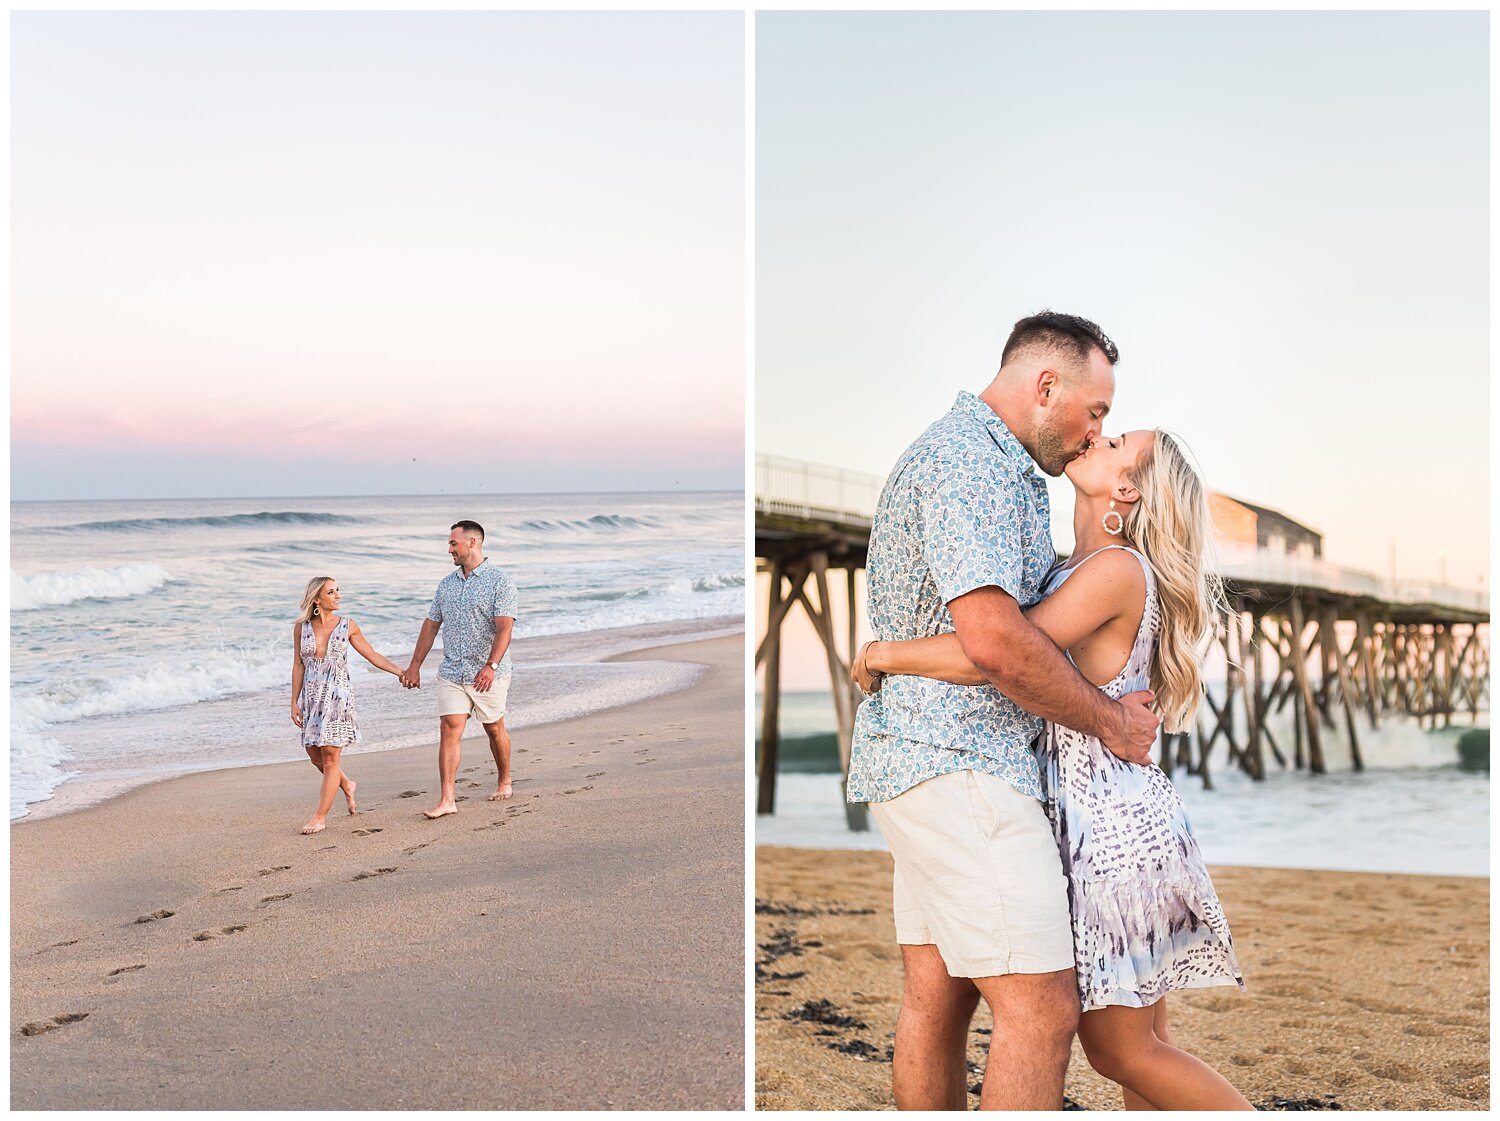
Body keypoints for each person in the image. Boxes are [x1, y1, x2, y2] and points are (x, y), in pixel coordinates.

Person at [856, 428, 1251, 1110]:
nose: (1100, 433)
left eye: (1118, 440)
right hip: (1120, 819)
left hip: (1111, 830)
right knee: (1145, 1049)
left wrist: (885, 653)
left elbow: (996, 652)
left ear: (1124, 490)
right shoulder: (1085, 567)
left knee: (1123, 1050)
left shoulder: (1114, 572)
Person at [846, 311, 1162, 1111]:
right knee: (1041, 1006)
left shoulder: (992, 464)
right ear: (1045, 384)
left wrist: (887, 654)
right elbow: (996, 642)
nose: (1098, 429)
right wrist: (1110, 720)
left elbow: (1015, 624)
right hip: (964, 764)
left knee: (940, 992)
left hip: (919, 757)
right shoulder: (973, 465)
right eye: (1095, 411)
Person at [400, 520, 518, 819]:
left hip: (488, 673)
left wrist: (490, 666)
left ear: (472, 543)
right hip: (452, 671)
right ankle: (447, 799)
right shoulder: (446, 585)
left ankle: (504, 778)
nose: (449, 549)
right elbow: (430, 626)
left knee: (494, 728)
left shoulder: (500, 582)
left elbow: (505, 629)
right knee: (450, 728)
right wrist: (415, 666)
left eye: (454, 543)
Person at [290, 576, 406, 835]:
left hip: (337, 697)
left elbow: (372, 655)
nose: (338, 595)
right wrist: (293, 702)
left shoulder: (348, 625)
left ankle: (319, 817)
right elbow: (298, 665)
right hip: (311, 699)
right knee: (315, 756)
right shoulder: (301, 628)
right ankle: (347, 784)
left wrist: (401, 672)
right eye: (331, 592)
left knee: (331, 758)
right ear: (317, 600)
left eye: (338, 590)